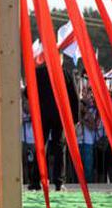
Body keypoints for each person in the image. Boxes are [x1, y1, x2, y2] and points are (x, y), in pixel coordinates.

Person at [28, 59, 78, 191]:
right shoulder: (65, 74)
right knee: (59, 148)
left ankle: (35, 181)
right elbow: (74, 97)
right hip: (60, 116)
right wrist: (74, 120)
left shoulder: (38, 73)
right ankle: (59, 182)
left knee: (41, 147)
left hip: (43, 115)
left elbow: (28, 92)